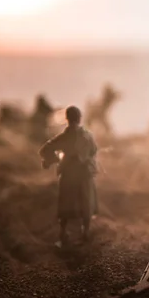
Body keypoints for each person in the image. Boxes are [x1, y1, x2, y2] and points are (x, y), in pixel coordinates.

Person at [39, 106, 98, 247]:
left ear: (67, 118)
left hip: (70, 174)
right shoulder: (87, 135)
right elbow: (94, 150)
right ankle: (85, 232)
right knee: (86, 202)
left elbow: (44, 150)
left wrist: (53, 160)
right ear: (79, 118)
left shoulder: (65, 136)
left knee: (65, 204)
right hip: (84, 174)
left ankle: (64, 233)